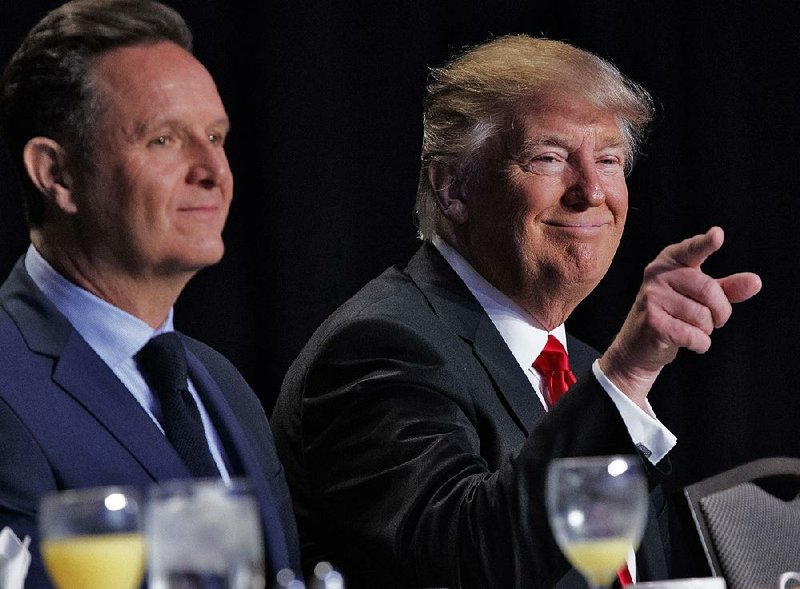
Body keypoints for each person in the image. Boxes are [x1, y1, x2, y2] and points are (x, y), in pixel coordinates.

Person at [270, 35, 762, 588]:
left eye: (609, 160)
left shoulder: (581, 371)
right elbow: (461, 561)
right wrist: (626, 377)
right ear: (453, 188)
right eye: (549, 158)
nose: (592, 191)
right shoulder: (381, 346)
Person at [0, 1, 300, 586]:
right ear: (57, 174)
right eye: (164, 140)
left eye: (215, 136)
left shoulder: (222, 385)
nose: (213, 169)